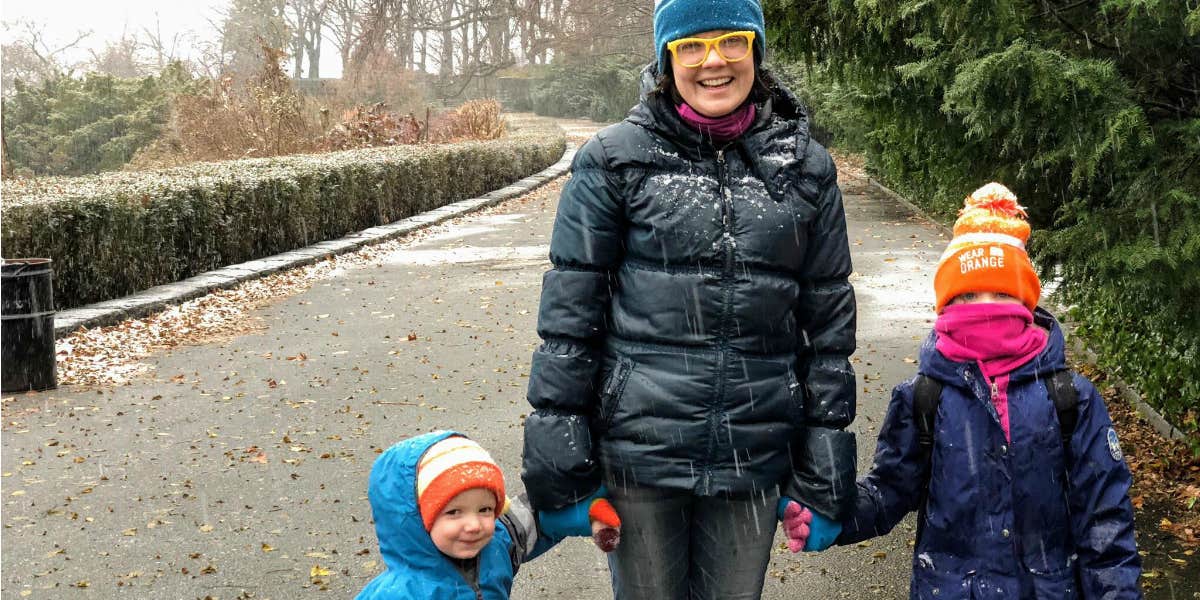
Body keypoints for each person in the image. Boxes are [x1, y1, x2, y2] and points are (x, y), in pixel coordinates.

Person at [520, 0, 858, 596]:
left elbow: (827, 330)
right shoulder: (612, 161)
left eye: (731, 42)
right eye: (691, 46)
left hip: (751, 455)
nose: (713, 62)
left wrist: (823, 476)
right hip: (639, 454)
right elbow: (570, 323)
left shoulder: (806, 168)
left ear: (753, 51)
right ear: (665, 58)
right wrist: (563, 471)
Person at [828, 183, 1143, 599]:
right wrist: (830, 513)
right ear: (945, 304)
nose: (985, 309)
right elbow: (889, 490)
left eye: (1001, 294)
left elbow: (1105, 521)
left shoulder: (1070, 399)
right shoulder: (924, 397)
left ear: (1026, 302)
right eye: (969, 295)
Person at [357, 430, 621, 599]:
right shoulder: (399, 593)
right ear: (416, 519)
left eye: (484, 509)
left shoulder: (496, 545)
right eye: (453, 512)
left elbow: (535, 520)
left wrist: (580, 509)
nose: (473, 525)